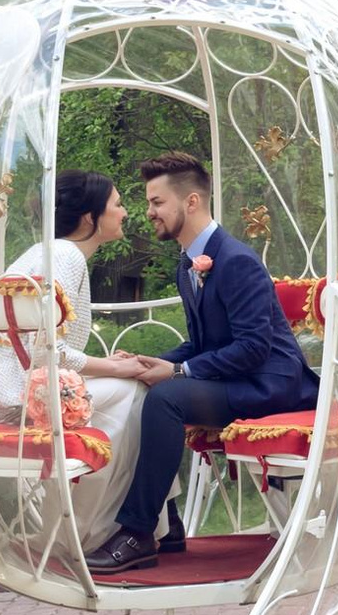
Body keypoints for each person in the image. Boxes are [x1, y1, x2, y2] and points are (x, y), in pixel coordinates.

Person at [84, 151, 320, 572]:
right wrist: (150, 362)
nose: (149, 212)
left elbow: (253, 348)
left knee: (167, 398)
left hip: (272, 384)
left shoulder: (236, 261)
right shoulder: (188, 263)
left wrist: (177, 372)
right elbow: (202, 342)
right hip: (238, 378)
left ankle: (138, 534)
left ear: (191, 202)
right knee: (144, 387)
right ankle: (167, 525)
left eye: (157, 202)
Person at [0, 171, 155, 542]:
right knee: (134, 393)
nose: (126, 212)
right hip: (11, 401)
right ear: (90, 218)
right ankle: (84, 534)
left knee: (121, 388)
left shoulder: (47, 253)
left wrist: (109, 365)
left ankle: (88, 527)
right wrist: (114, 366)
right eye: (117, 204)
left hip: (0, 391)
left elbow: (48, 348)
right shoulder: (67, 256)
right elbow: (45, 351)